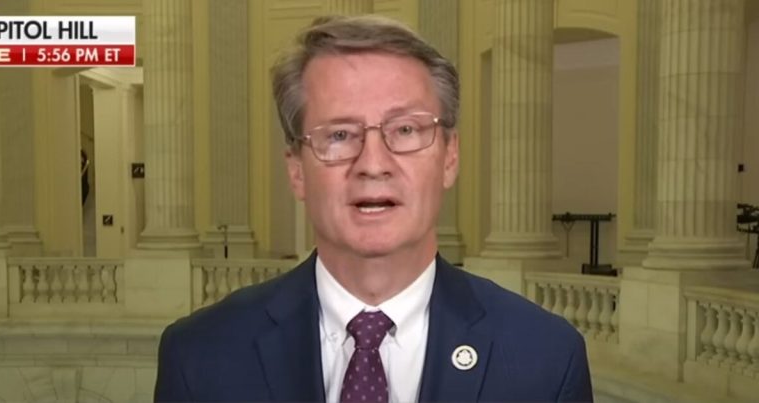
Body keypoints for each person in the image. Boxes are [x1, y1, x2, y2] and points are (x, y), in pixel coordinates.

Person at [155, 14, 593, 402]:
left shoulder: (546, 360)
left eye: (405, 130)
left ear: (450, 157)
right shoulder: (200, 356)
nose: (373, 164)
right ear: (297, 171)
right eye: (339, 135)